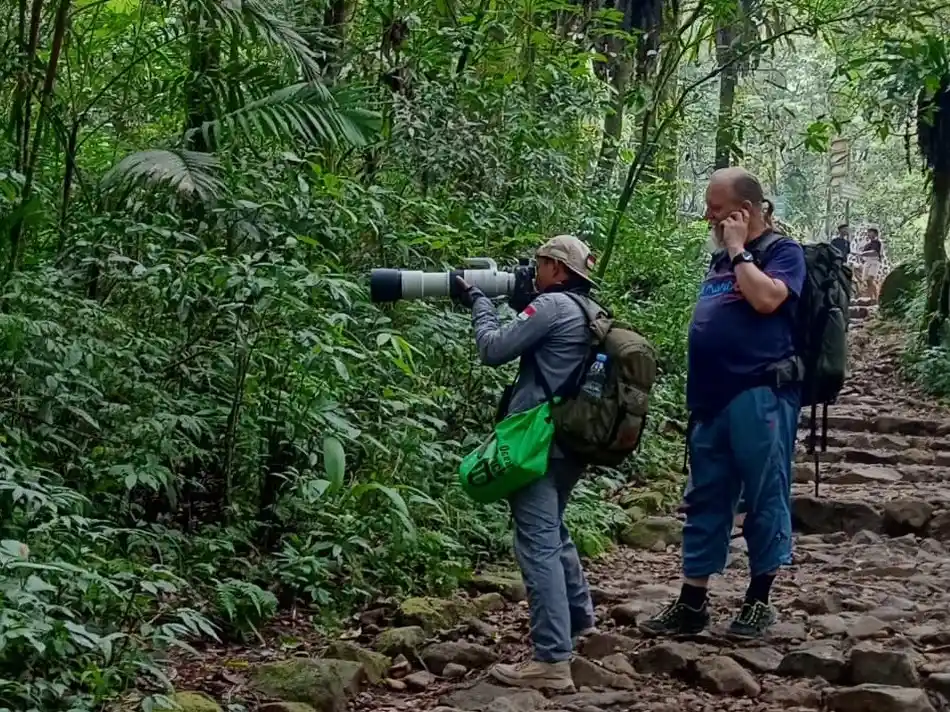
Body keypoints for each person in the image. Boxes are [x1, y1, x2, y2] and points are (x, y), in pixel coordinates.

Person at [640, 167, 804, 640]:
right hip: (711, 401)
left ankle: (758, 601)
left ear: (745, 210)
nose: (709, 215)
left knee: (765, 494)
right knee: (706, 498)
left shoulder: (783, 253)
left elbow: (769, 300)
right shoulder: (718, 264)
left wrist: (738, 250)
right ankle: (692, 603)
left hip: (761, 394)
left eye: (716, 207)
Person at [454, 235, 598, 692]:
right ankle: (580, 623)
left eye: (538, 265)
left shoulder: (552, 306)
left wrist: (478, 301)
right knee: (553, 531)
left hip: (538, 442)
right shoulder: (585, 309)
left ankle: (553, 660)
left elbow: (493, 349)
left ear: (558, 269)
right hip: (570, 441)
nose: (531, 272)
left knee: (536, 545)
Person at [859, 226, 884, 303]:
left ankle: (876, 297)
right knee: (867, 281)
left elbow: (874, 252)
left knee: (870, 278)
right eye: (868, 233)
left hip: (874, 261)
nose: (868, 234)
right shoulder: (867, 245)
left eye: (870, 232)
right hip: (867, 262)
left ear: (875, 234)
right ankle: (871, 298)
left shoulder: (877, 243)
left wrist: (862, 253)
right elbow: (862, 254)